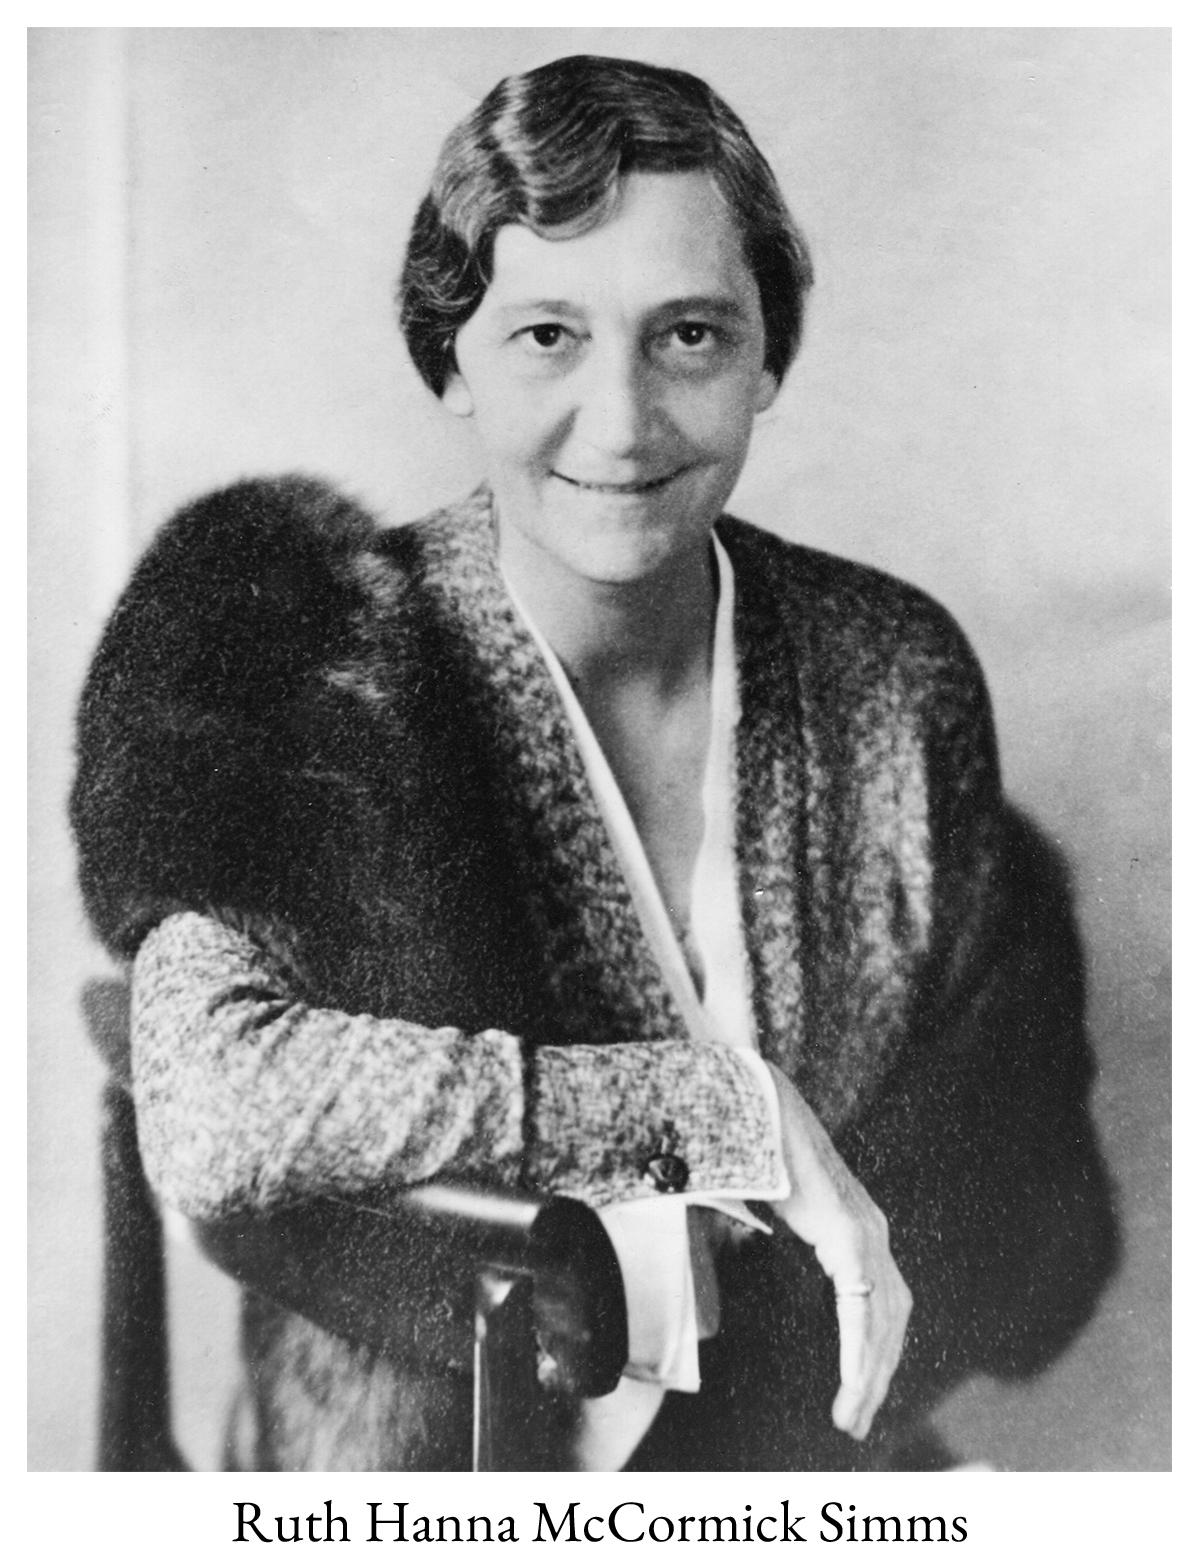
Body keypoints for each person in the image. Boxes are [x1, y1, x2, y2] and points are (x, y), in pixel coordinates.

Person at [71, 54, 1116, 1472]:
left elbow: (1009, 1186)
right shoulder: (323, 667)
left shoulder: (892, 673)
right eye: (548, 336)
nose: (622, 423)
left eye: (689, 335)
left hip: (801, 1471)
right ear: (451, 360)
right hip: (432, 1489)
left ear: (769, 358)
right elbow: (207, 1102)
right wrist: (720, 1115)